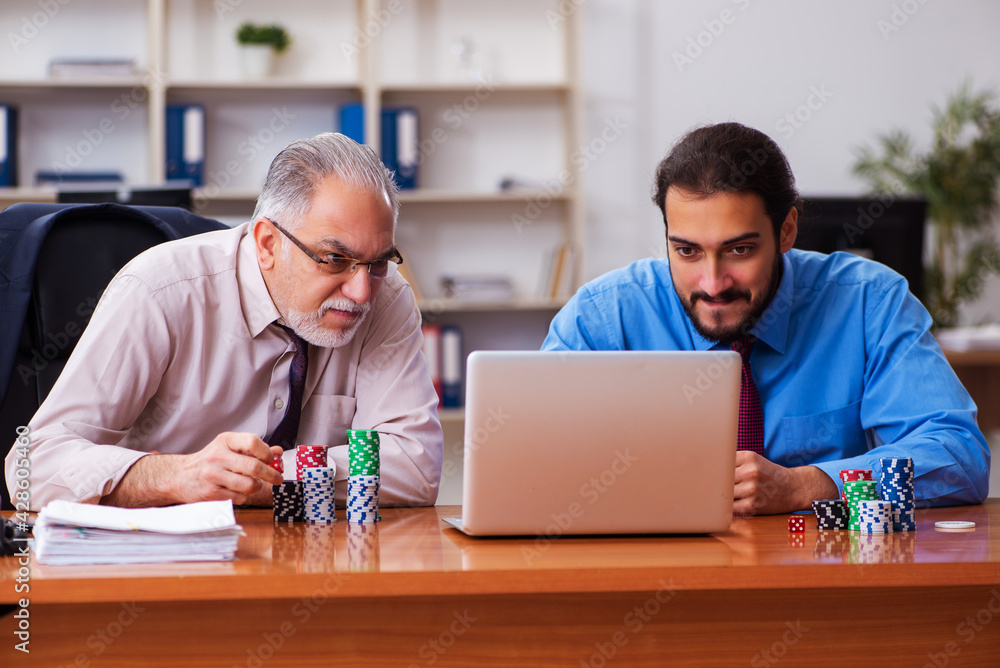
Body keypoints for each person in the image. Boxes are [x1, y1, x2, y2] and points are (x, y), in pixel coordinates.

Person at [542, 122, 989, 515]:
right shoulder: (604, 316)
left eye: (739, 250)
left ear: (787, 230)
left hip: (822, 588)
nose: (713, 283)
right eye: (687, 251)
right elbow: (533, 456)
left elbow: (959, 458)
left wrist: (808, 485)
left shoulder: (869, 302)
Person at [5, 133, 443, 510]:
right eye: (335, 260)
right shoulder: (160, 290)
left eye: (379, 262)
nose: (362, 292)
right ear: (268, 243)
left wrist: (257, 478)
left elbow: (415, 464)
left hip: (304, 563)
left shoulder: (385, 297)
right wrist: (176, 476)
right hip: (156, 568)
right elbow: (32, 464)